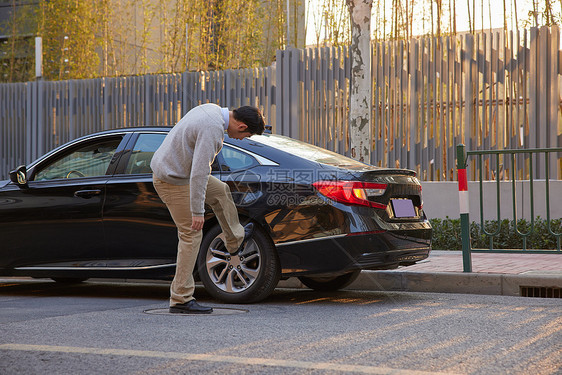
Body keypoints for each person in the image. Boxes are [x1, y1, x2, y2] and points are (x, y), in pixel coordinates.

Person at [151, 103, 265, 314]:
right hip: (172, 179)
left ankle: (235, 240)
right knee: (191, 234)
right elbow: (200, 173)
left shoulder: (212, 109)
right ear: (241, 126)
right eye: (246, 135)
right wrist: (197, 212)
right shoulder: (212, 129)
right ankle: (181, 299)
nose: (241, 139)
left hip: (180, 173)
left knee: (220, 190)